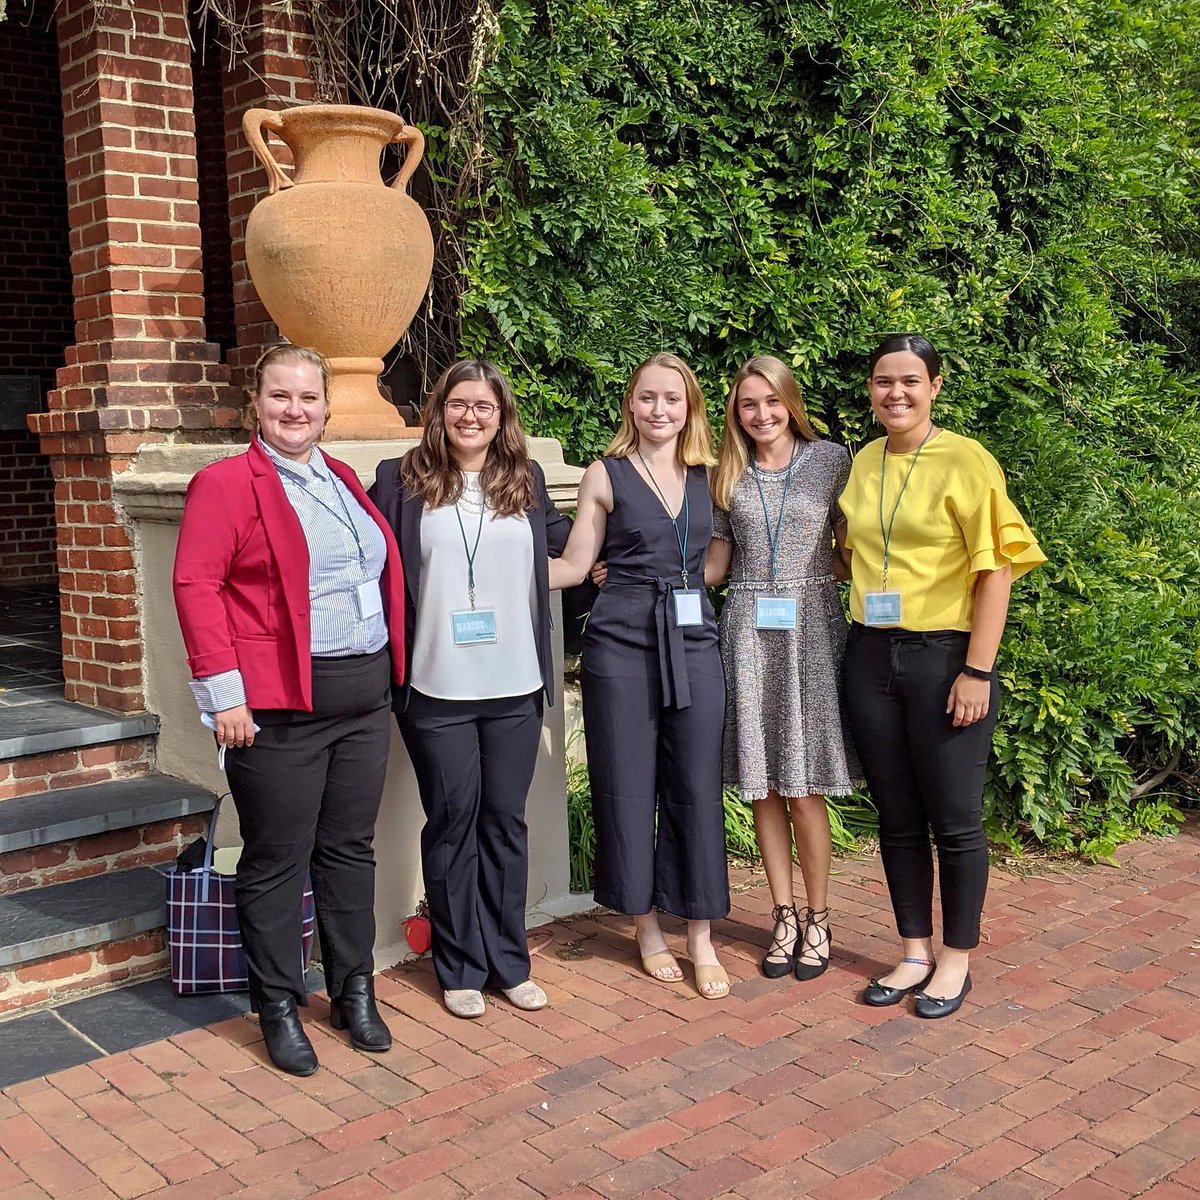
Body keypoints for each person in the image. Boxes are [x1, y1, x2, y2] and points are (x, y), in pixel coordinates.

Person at [173, 344, 405, 1075]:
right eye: (281, 397)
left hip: (365, 700)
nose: (295, 410)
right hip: (278, 710)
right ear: (257, 404)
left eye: (308, 398)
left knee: (349, 850)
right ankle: (277, 1003)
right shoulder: (225, 483)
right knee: (277, 861)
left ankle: (352, 989)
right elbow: (196, 587)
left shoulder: (339, 477)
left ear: (327, 407)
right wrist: (225, 694)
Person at [839, 333, 1046, 1018]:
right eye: (882, 382)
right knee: (896, 817)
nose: (894, 393)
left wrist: (977, 670)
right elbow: (850, 552)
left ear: (935, 387)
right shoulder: (864, 461)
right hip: (870, 653)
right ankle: (914, 950)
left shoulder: (966, 460)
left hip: (943, 657)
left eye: (909, 381)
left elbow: (998, 569)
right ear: (870, 391)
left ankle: (955, 960)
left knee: (954, 821)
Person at [369, 359, 571, 1019]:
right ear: (439, 410)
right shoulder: (402, 481)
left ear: (501, 415)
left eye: (483, 406)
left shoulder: (527, 479)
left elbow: (571, 552)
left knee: (504, 824)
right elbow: (365, 559)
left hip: (514, 685)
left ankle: (509, 962)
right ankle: (458, 965)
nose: (470, 417)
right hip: (436, 687)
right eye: (458, 404)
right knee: (453, 822)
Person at [550, 353, 731, 1000]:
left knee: (695, 786)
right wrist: (487, 572)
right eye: (648, 397)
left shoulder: (713, 474)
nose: (659, 410)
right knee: (626, 786)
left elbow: (715, 563)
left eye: (672, 400)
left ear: (691, 408)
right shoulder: (607, 473)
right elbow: (574, 565)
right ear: (631, 403)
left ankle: (702, 936)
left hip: (692, 639)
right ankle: (647, 926)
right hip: (622, 641)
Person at [706, 355, 857, 981]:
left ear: (789, 402)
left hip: (813, 630)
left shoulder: (833, 461)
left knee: (805, 787)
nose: (761, 414)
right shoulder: (724, 474)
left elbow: (857, 547)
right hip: (747, 631)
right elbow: (714, 565)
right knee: (764, 784)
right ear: (735, 413)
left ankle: (819, 918)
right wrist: (639, 575)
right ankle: (784, 913)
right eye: (748, 404)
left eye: (771, 401)